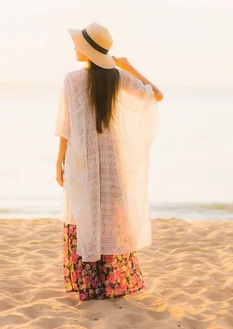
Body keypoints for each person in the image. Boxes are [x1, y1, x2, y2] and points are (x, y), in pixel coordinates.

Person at [55, 22, 163, 301]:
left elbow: (65, 127)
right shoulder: (116, 77)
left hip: (81, 159)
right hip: (110, 159)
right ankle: (113, 283)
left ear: (87, 50)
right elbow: (156, 95)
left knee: (85, 214)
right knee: (111, 215)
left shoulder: (71, 79)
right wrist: (128, 67)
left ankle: (89, 284)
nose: (74, 47)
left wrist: (59, 162)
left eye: (78, 44)